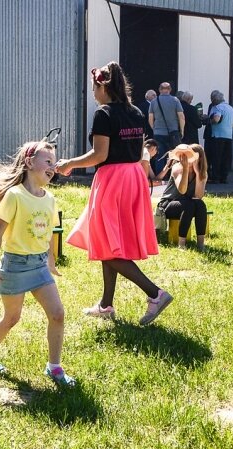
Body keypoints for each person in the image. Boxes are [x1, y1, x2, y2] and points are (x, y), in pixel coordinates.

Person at [56, 61, 173, 326]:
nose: (93, 94)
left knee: (106, 244)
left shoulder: (103, 114)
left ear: (102, 87)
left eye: (94, 88)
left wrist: (69, 164)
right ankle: (106, 304)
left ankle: (155, 294)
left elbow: (100, 155)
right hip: (134, 178)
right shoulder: (135, 112)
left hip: (113, 180)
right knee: (110, 242)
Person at [0, 141, 75, 387]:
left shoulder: (50, 198)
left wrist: (51, 261)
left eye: (54, 163)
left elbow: (49, 234)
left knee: (58, 314)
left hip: (39, 265)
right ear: (29, 162)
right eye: (48, 162)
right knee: (12, 318)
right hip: (15, 265)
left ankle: (54, 367)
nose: (53, 167)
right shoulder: (15, 196)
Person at [156, 144, 208, 250]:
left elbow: (198, 196)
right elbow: (182, 190)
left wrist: (198, 174)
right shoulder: (177, 168)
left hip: (186, 203)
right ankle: (181, 244)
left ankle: (201, 244)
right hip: (168, 204)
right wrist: (185, 170)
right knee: (188, 205)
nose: (188, 159)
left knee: (200, 204)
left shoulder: (202, 172)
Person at [148, 82, 185, 175]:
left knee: (159, 157)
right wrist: (182, 130)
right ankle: (174, 176)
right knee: (174, 156)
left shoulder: (154, 101)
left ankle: (160, 178)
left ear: (159, 90)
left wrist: (154, 128)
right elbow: (181, 117)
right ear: (170, 90)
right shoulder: (175, 100)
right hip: (173, 132)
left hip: (158, 133)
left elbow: (150, 118)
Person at [208, 90, 233, 184]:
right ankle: (224, 177)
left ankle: (215, 177)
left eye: (212, 99)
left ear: (215, 99)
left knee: (216, 157)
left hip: (218, 135)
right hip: (228, 135)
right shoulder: (230, 108)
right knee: (225, 158)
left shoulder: (218, 107)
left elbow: (216, 119)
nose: (212, 101)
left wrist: (209, 121)